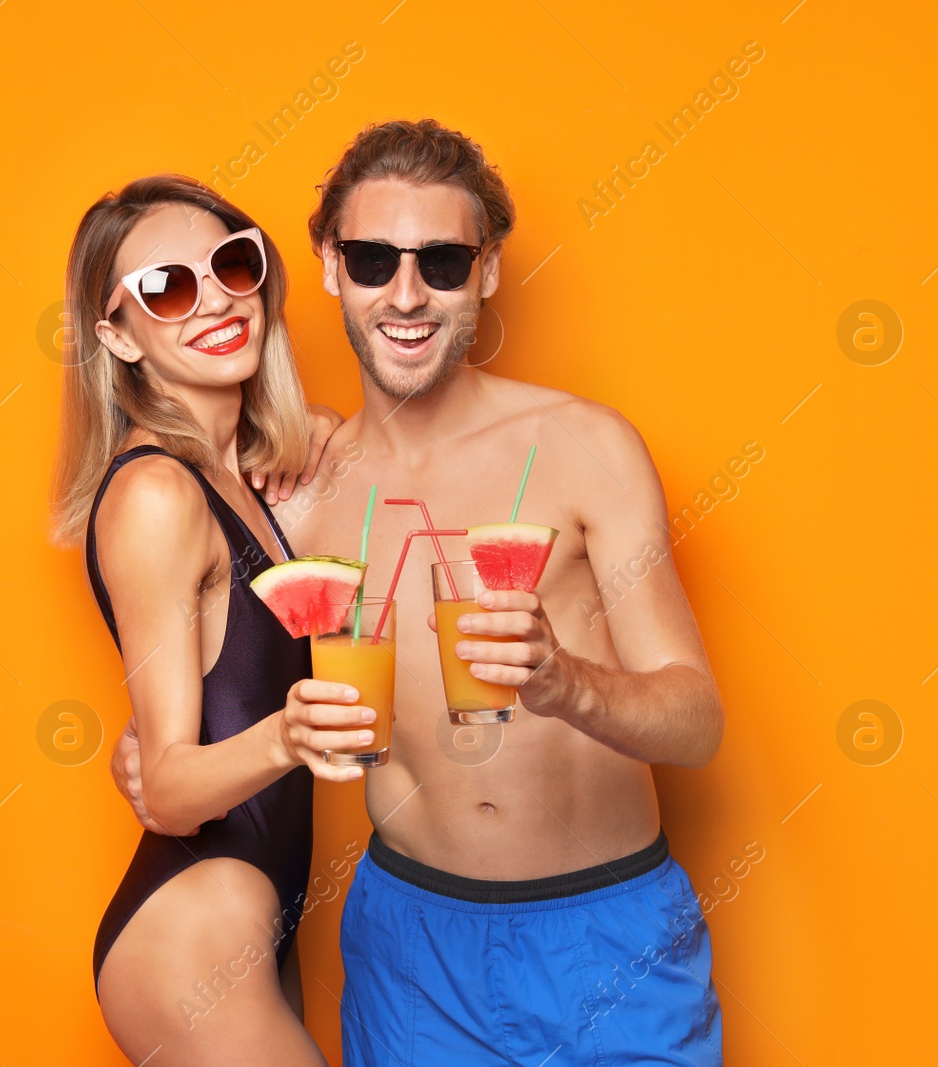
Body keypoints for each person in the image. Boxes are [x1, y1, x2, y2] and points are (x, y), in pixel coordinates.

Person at [112, 121, 727, 1065]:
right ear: (328, 267)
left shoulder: (587, 449)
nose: (406, 294)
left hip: (609, 934)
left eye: (442, 261)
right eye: (371, 258)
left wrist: (568, 682)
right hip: (412, 952)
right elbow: (210, 663)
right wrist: (153, 755)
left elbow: (697, 722)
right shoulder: (299, 489)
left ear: (484, 271)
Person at [50, 174, 375, 1066]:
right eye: (167, 288)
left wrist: (316, 430)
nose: (216, 302)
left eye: (233, 265)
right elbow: (172, 786)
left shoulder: (245, 473)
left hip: (259, 909)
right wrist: (289, 734)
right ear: (115, 334)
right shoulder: (156, 490)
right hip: (192, 925)